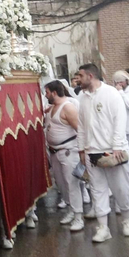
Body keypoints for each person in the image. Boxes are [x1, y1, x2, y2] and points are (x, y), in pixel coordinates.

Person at [73, 63, 129, 243]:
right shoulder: (82, 98)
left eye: (80, 76)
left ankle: (127, 220)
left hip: (113, 150)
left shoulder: (111, 94)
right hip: (92, 151)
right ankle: (103, 228)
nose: (78, 79)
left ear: (90, 76)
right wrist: (82, 149)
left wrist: (117, 148)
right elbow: (81, 126)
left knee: (121, 188)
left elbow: (119, 121)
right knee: (97, 190)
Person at [44, 80, 83, 227]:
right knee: (61, 184)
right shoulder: (53, 107)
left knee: (71, 184)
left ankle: (78, 216)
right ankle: (71, 210)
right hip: (54, 152)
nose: (45, 95)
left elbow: (80, 130)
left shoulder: (68, 108)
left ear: (54, 93)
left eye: (47, 92)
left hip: (68, 151)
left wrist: (82, 151)